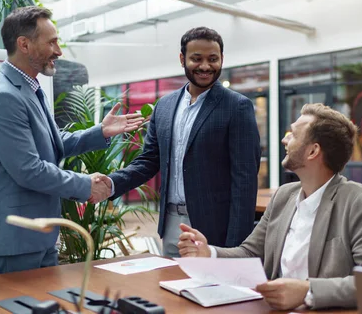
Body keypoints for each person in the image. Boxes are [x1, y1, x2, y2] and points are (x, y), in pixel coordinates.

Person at [0, 6, 143, 275]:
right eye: (51, 42)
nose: (59, 51)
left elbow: (52, 143)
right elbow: (29, 170)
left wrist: (100, 132)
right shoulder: (3, 97)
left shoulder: (29, 89)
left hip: (39, 233)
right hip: (15, 239)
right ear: (24, 44)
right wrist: (86, 185)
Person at [178, 103, 362, 310]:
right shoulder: (284, 195)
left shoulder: (357, 201)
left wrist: (308, 292)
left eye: (293, 134)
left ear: (313, 151)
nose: (285, 140)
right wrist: (210, 253)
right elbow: (251, 252)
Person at [108, 27, 261, 257]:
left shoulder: (237, 107)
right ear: (182, 59)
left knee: (212, 290)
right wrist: (111, 184)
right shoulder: (165, 106)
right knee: (170, 288)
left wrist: (236, 247)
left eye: (213, 59)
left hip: (214, 228)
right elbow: (149, 160)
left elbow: (245, 181)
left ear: (222, 59)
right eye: (196, 59)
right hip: (170, 224)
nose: (206, 66)